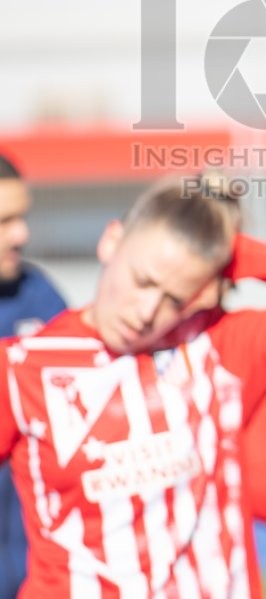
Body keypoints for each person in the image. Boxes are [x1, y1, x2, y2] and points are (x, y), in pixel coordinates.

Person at [0, 176, 266, 598]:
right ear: (111, 241)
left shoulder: (219, 347)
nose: (147, 311)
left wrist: (221, 247)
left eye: (175, 298)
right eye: (143, 280)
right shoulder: (20, 367)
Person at [0, 154, 67, 599]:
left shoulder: (40, 298)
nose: (21, 234)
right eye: (4, 221)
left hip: (33, 578)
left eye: (21, 218)